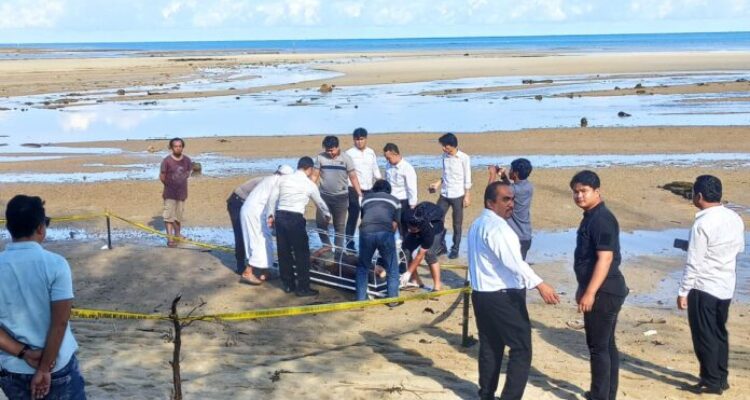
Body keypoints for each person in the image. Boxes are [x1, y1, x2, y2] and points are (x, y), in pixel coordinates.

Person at [468, 181, 559, 400]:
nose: (511, 204)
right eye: (505, 199)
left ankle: (486, 395)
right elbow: (515, 263)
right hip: (500, 296)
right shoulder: (496, 227)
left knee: (490, 347)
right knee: (521, 349)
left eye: (513, 199)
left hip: (483, 295)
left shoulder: (478, 224)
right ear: (491, 203)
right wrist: (540, 284)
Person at [0, 195, 86, 399]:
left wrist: (24, 353)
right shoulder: (55, 264)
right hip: (57, 367)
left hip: (14, 368)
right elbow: (60, 322)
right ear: (41, 228)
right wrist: (44, 369)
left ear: (9, 227)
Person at [677, 175, 744, 395]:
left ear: (699, 196)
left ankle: (711, 380)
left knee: (704, 335)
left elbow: (693, 262)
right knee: (718, 332)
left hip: (704, 285)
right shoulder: (734, 217)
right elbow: (738, 249)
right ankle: (720, 377)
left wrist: (683, 291)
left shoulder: (702, 223)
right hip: (725, 284)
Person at [570, 170, 629, 400]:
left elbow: (605, 258)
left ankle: (599, 396)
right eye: (575, 192)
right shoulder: (591, 216)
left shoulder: (602, 219)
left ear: (597, 191)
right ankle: (605, 393)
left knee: (598, 347)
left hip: (605, 291)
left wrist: (590, 292)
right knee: (606, 345)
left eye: (583, 191)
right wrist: (582, 288)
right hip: (603, 289)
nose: (579, 196)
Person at [266, 157, 332, 297]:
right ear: (309, 169)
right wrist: (327, 215)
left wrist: (271, 214)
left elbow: (272, 198)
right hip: (295, 219)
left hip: (281, 216)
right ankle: (303, 288)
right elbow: (320, 203)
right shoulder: (309, 184)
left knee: (284, 253)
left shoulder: (283, 180)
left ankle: (288, 285)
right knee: (302, 254)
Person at [238, 165, 294, 286]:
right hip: (254, 214)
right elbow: (272, 202)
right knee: (259, 241)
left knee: (266, 240)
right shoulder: (277, 182)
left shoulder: (270, 179)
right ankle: (248, 272)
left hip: (254, 212)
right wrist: (272, 217)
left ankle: (265, 271)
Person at [311, 136, 362, 254]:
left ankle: (338, 253)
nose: (330, 153)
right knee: (320, 224)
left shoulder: (346, 158)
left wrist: (359, 193)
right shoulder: (320, 158)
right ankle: (327, 246)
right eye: (327, 150)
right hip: (323, 197)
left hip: (341, 197)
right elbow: (314, 176)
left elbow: (353, 177)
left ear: (337, 147)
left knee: (339, 227)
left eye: (332, 150)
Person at [355, 179, 400, 301]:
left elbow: (364, 218)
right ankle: (393, 300)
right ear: (388, 191)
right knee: (392, 267)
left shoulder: (365, 199)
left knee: (363, 267)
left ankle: (360, 300)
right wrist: (389, 241)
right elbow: (395, 225)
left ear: (374, 189)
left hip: (366, 232)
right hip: (385, 233)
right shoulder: (395, 201)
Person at [429, 133, 472, 259]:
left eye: (445, 146)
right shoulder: (444, 157)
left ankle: (455, 249)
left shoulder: (464, 158)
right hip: (444, 193)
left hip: (458, 194)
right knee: (436, 219)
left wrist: (467, 195)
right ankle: (441, 246)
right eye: (443, 146)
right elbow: (445, 174)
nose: (443, 148)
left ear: (453, 145)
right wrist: (437, 183)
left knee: (457, 224)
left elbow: (467, 177)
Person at [488, 158, 534, 260]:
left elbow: (490, 195)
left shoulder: (512, 190)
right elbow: (513, 189)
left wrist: (492, 174)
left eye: (511, 169)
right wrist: (504, 177)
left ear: (516, 173)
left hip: (514, 238)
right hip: (525, 236)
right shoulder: (529, 186)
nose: (509, 171)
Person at [345, 128, 382, 251]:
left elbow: (375, 169)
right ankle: (349, 244)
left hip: (369, 189)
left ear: (366, 139)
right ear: (353, 140)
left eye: (361, 139)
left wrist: (380, 181)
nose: (359, 142)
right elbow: (347, 172)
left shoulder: (371, 152)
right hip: (353, 188)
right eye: (356, 139)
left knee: (367, 216)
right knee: (353, 215)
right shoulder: (349, 153)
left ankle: (366, 242)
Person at [399, 201, 445, 291]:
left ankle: (437, 286)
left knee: (430, 255)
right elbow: (402, 230)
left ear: (419, 227)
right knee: (405, 251)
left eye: (414, 229)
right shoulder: (405, 216)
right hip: (419, 223)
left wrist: (408, 272)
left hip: (436, 230)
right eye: (410, 229)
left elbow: (420, 255)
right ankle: (415, 281)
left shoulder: (428, 230)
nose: (412, 230)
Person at [227, 175, 264, 274]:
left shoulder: (271, 183)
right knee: (240, 234)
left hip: (246, 202)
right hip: (236, 202)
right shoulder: (264, 183)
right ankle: (240, 266)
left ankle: (254, 264)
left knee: (252, 234)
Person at [159, 137, 192, 247]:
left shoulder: (187, 160)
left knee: (178, 217)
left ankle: (177, 235)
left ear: (182, 147)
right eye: (175, 146)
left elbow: (188, 172)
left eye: (180, 146)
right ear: (171, 148)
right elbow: (162, 176)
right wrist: (170, 186)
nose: (178, 148)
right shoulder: (167, 161)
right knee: (168, 217)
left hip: (182, 194)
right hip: (169, 194)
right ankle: (170, 239)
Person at [383, 142, 418, 239]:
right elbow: (386, 182)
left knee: (403, 227)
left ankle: (406, 250)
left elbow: (412, 187)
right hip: (391, 201)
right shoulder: (388, 166)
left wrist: (412, 205)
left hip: (403, 201)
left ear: (395, 154)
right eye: (386, 158)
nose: (387, 160)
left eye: (389, 158)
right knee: (390, 226)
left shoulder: (407, 168)